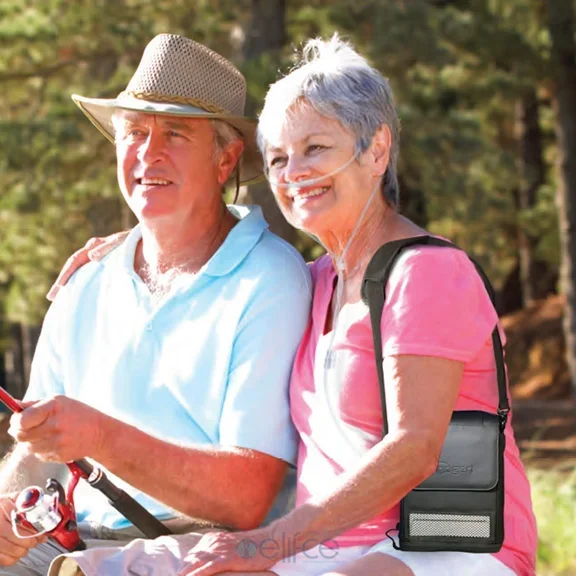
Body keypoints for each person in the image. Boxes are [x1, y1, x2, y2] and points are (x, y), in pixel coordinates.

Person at [45, 35, 537, 576]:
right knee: (111, 568)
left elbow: (414, 449)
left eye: (316, 148)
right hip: (324, 550)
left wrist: (265, 546)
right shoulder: (316, 279)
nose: (293, 172)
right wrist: (138, 238)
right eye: (279, 158)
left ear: (376, 150)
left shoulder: (428, 273)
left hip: (441, 546)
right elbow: (202, 243)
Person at [0, 34, 312, 576]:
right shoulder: (86, 281)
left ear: (226, 159)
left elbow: (244, 499)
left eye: (175, 133)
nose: (148, 153)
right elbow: (34, 450)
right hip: (66, 542)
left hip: (200, 551)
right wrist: (8, 512)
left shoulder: (271, 279)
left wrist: (100, 436)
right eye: (134, 132)